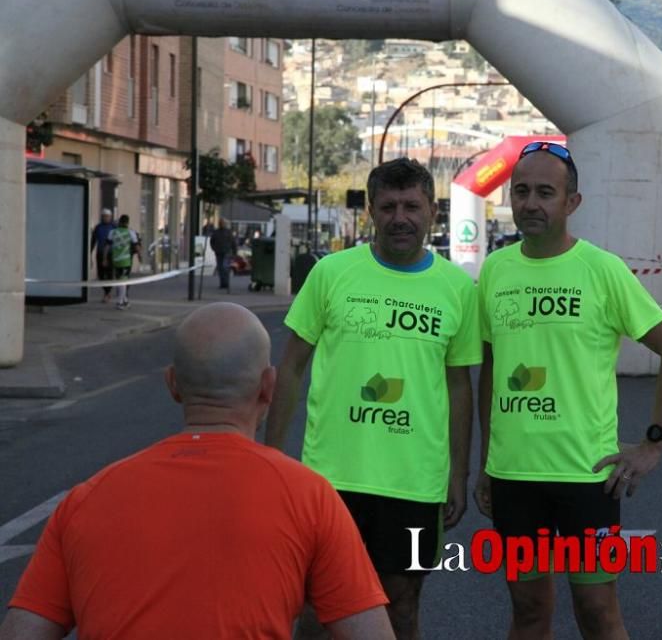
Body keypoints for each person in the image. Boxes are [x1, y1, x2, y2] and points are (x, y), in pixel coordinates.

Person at [0, 303, 393, 640]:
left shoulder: (85, 500)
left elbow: (24, 629)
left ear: (173, 384)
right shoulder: (312, 497)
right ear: (267, 386)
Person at [474, 141, 662, 639]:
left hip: (586, 477)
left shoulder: (602, 270)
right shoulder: (495, 270)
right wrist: (487, 461)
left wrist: (654, 444)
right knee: (528, 611)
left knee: (597, 611)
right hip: (515, 476)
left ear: (572, 203)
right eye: (522, 190)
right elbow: (490, 366)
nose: (531, 203)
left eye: (546, 193)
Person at [266, 158, 481, 640]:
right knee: (315, 607)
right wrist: (271, 457)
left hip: (414, 484)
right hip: (330, 480)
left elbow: (458, 384)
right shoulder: (331, 274)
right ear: (370, 211)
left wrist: (458, 473)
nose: (399, 217)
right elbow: (292, 365)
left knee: (402, 605)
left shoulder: (456, 289)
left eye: (411, 206)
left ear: (432, 211)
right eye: (387, 206)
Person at [105, 214, 141, 310]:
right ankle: (120, 302)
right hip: (125, 261)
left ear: (119, 222)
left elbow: (107, 247)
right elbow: (137, 246)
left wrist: (104, 258)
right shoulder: (130, 233)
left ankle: (124, 300)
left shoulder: (112, 232)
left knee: (119, 280)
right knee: (123, 281)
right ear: (127, 223)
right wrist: (140, 256)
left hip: (115, 260)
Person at [89, 208, 116, 303]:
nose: (105, 218)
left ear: (110, 217)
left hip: (110, 254)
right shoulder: (98, 227)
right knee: (100, 275)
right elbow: (93, 241)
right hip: (100, 253)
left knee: (109, 274)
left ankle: (107, 293)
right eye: (104, 216)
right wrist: (90, 253)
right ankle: (106, 291)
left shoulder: (114, 227)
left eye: (107, 216)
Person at [210, 218, 238, 292]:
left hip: (226, 252)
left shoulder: (228, 232)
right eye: (220, 223)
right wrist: (214, 248)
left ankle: (226, 283)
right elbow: (212, 241)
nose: (221, 224)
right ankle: (222, 283)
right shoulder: (216, 232)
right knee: (220, 268)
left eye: (222, 223)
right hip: (219, 252)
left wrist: (234, 252)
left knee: (225, 267)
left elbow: (233, 242)